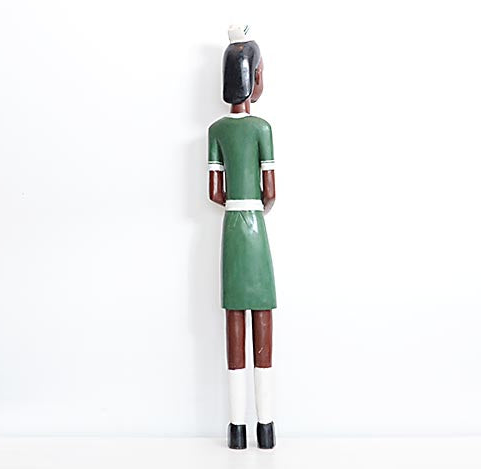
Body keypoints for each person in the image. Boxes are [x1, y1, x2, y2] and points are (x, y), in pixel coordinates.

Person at [207, 24, 277, 450]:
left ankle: (236, 430)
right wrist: (255, 205)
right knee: (263, 314)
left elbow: (214, 193)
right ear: (256, 77)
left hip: (231, 230)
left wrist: (235, 204)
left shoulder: (216, 130)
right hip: (256, 228)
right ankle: (266, 428)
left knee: (234, 316)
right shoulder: (262, 129)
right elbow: (271, 192)